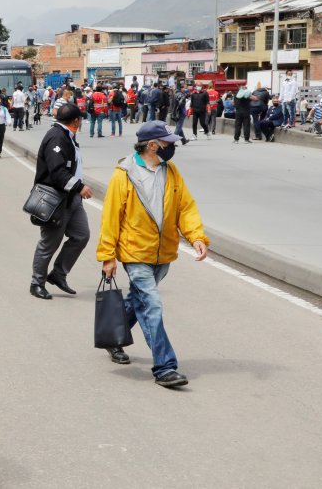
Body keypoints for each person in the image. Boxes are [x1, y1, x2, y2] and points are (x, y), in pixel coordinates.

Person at [96, 121, 209, 387]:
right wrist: (108, 255)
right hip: (135, 251)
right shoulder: (124, 174)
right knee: (152, 306)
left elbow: (185, 207)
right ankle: (165, 367)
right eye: (168, 143)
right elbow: (111, 217)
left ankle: (113, 337)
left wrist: (196, 237)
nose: (172, 147)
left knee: (140, 300)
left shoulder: (171, 171)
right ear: (152, 145)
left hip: (163, 253)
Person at [29, 103, 92, 300]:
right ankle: (37, 283)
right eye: (80, 119)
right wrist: (79, 187)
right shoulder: (56, 137)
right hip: (55, 199)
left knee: (81, 235)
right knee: (49, 243)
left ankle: (58, 274)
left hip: (72, 198)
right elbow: (57, 172)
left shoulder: (68, 136)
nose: (81, 122)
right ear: (75, 121)